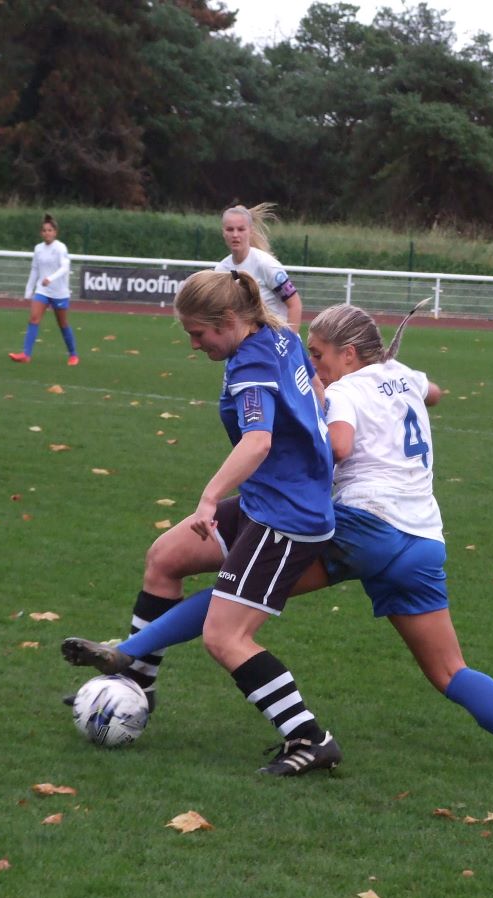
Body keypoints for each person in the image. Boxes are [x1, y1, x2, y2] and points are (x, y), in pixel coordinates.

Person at [65, 302, 493, 771]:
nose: (312, 365)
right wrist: (401, 382)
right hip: (422, 542)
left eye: (318, 355)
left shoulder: (344, 391)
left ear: (348, 353)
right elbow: (434, 393)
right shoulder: (405, 377)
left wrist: (315, 413)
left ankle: (128, 653)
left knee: (236, 599)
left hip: (364, 528)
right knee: (450, 671)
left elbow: (340, 448)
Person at [74, 269, 341, 776]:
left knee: (225, 638)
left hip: (287, 518)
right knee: (165, 558)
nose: (194, 345)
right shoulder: (280, 335)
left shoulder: (251, 365)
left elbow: (257, 441)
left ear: (229, 320)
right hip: (272, 499)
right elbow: (318, 393)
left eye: (199, 334)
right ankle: (135, 685)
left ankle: (310, 739)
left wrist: (208, 498)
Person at [215, 203, 303, 332]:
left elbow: (295, 304)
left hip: (276, 340)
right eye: (230, 229)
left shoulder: (266, 264)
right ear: (223, 232)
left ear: (250, 231)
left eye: (241, 229)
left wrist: (291, 342)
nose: (235, 235)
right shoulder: (221, 270)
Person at [8, 213, 77, 365]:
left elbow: (65, 267)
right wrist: (28, 290)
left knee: (63, 324)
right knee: (33, 319)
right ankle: (26, 354)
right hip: (42, 291)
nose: (47, 233)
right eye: (44, 230)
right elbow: (34, 269)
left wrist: (50, 278)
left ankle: (73, 355)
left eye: (50, 230)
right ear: (41, 233)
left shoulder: (60, 248)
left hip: (59, 292)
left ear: (55, 232)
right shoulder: (38, 249)